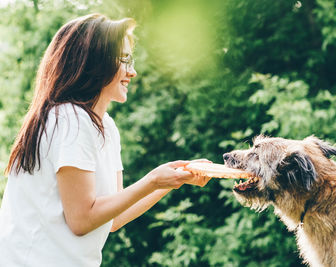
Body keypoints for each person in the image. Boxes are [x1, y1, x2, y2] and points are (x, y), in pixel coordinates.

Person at [0, 13, 211, 267]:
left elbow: (113, 219)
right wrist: (153, 179)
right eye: (124, 60)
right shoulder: (69, 119)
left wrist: (172, 179)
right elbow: (81, 221)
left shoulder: (105, 127)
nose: (132, 72)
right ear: (95, 62)